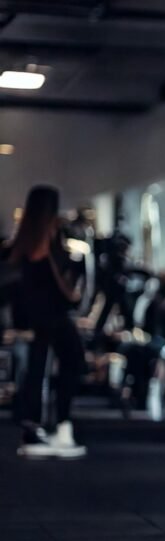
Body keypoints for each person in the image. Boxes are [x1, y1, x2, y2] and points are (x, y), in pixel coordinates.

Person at [4, 185, 87, 459]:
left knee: (38, 370)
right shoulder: (46, 246)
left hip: (37, 322)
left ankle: (39, 428)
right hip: (52, 318)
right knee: (68, 362)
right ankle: (59, 427)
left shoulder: (20, 248)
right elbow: (60, 289)